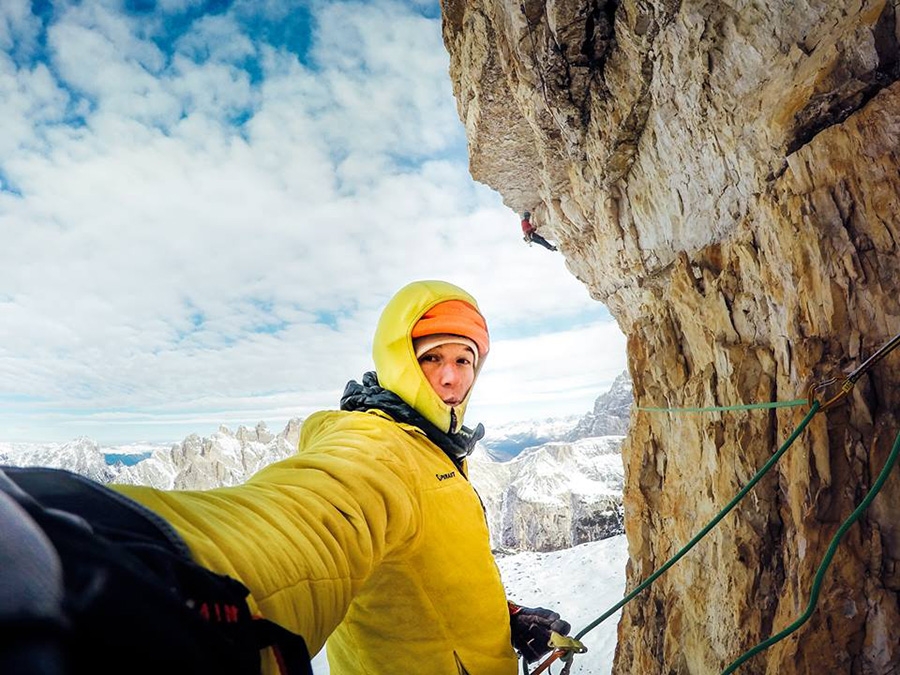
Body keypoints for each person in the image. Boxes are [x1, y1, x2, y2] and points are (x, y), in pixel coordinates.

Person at [2, 280, 570, 675]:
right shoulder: (379, 444)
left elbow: (428, 578)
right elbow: (308, 522)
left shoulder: (438, 449)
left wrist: (509, 619)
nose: (449, 378)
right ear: (400, 361)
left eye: (463, 360)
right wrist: (144, 560)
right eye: (430, 358)